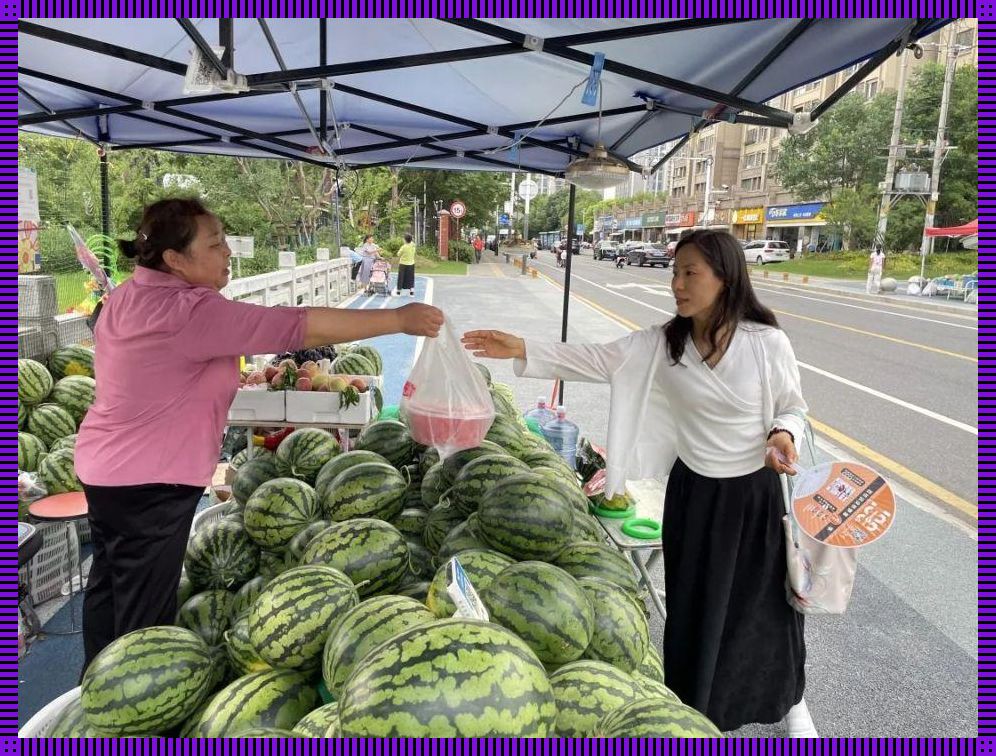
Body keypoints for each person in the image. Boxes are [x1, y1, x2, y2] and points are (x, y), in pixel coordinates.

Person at [461, 230, 816, 737]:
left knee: (762, 605)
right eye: (675, 272)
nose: (677, 283)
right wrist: (519, 346)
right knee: (696, 604)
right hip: (694, 495)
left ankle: (787, 699)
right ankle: (696, 708)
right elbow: (594, 359)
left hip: (754, 493)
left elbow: (793, 407)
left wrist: (784, 432)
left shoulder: (766, 343)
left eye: (690, 272)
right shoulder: (663, 345)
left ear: (725, 276)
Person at [74, 198, 443, 674]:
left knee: (107, 588)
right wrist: (396, 320)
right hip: (152, 481)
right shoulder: (190, 310)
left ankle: (93, 689)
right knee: (145, 623)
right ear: (174, 259)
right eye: (215, 244)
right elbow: (295, 325)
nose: (228, 252)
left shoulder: (127, 296)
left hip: (104, 470)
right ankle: (127, 717)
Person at [395, 233, 417, 297]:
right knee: (411, 277)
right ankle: (411, 292)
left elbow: (398, 254)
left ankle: (399, 292)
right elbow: (412, 242)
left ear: (405, 240)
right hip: (411, 264)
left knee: (401, 277)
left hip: (403, 264)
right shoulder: (413, 245)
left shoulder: (404, 247)